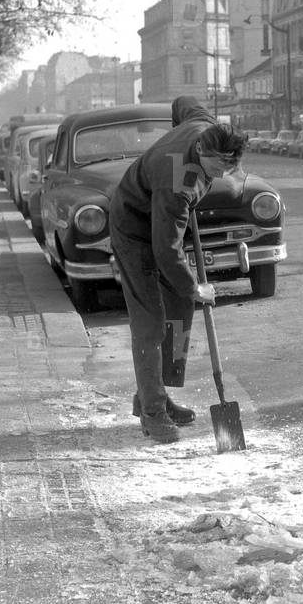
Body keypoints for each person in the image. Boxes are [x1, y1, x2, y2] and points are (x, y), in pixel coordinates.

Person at [109, 97, 247, 443]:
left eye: (230, 167)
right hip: (134, 228)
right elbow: (165, 249)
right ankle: (153, 414)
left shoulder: (204, 124)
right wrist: (195, 287)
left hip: (165, 227)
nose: (223, 174)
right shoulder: (179, 182)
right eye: (217, 168)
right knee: (151, 321)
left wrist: (176, 126)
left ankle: (154, 393)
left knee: (178, 312)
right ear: (201, 150)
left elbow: (183, 102)